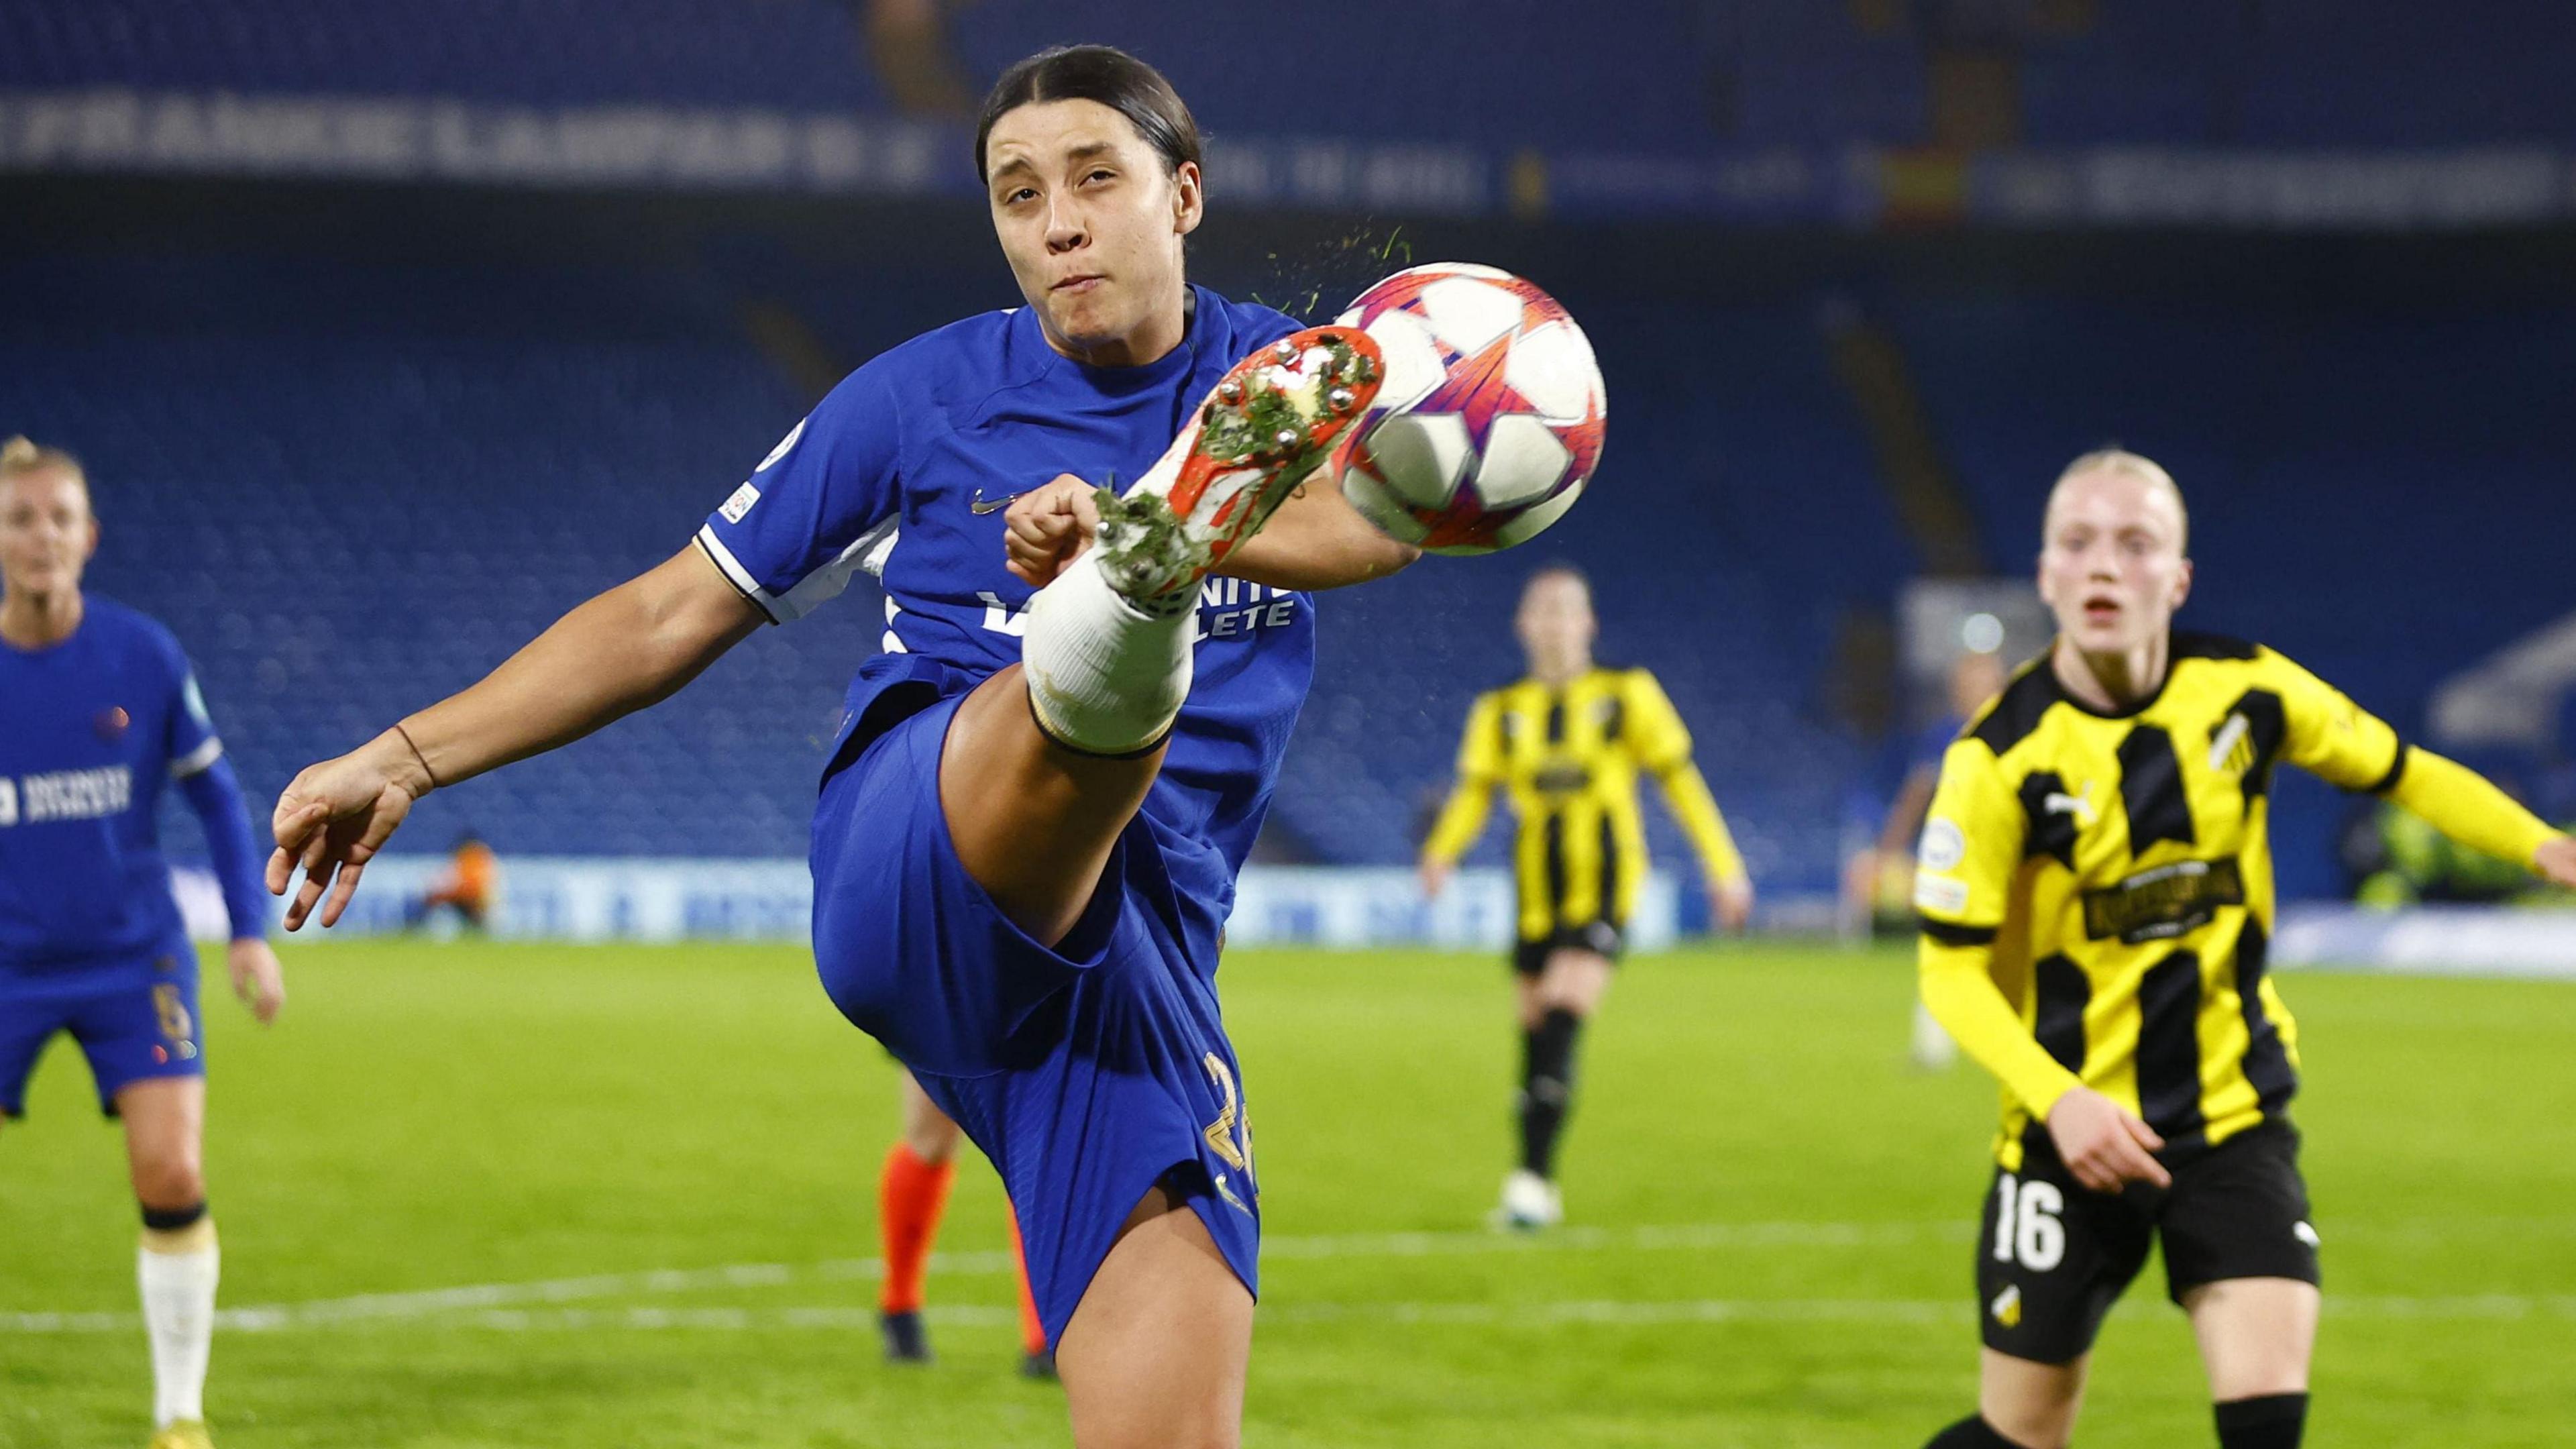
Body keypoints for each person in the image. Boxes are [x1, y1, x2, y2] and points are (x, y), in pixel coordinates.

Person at [264, 44, 1413, 1449]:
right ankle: (1118, 602)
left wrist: (1129, 512)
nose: (1054, 222)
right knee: (1087, 674)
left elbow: (1383, 524)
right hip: (917, 859)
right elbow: (668, 612)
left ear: (1183, 195)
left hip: (1134, 970)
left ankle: (1129, 582)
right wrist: (406, 755)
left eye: (1094, 179)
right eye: (1016, 193)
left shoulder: (1279, 382)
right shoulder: (919, 400)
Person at [1913, 450, 2576, 1449]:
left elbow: (2403, 768)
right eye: (2080, 544)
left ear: (2177, 578)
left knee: (2266, 1425)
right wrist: (2061, 1099)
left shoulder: (2248, 690)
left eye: (2136, 545)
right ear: (2046, 575)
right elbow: (1949, 973)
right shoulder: (1998, 760)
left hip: (2231, 1123)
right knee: (2020, 1438)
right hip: (2066, 1141)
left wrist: (2542, 844)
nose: (2105, 567)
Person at [0, 437, 287, 1449]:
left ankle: (178, 1416)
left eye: (59, 517)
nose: (41, 536)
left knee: (170, 1175)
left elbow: (216, 797)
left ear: (90, 536)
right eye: (21, 517)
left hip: (134, 959)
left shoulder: (145, 656)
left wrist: (248, 934)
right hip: (4, 964)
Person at [1417, 563, 1752, 1230]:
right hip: (1535, 893)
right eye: (1541, 610)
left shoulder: (1628, 694)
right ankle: (1533, 1180)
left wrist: (1725, 866)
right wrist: (1441, 851)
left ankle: (1531, 1185)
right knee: (1537, 1028)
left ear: (1588, 623)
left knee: (1566, 1010)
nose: (1554, 623)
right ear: (1523, 625)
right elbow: (1474, 792)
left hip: (1604, 886)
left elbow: (1679, 781)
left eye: (1566, 610)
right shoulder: (1502, 709)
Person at [1843, 647, 2008, 1069]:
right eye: (1965, 684)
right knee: (1944, 947)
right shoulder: (1943, 736)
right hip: (1959, 861)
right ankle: (1933, 1049)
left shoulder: (2019, 731)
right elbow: (1915, 796)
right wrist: (1888, 851)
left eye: (1980, 683)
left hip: (2011, 855)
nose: (1969, 692)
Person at [876, 1066, 1055, 1378]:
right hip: (940, 1016)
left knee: (1032, 1146)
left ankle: (1043, 1338)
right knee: (931, 1141)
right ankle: (899, 1305)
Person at [403, 832, 496, 932]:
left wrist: (446, 894)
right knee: (434, 899)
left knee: (434, 899)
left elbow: (471, 885)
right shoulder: (477, 857)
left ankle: (416, 927)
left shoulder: (474, 858)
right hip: (469, 898)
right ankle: (418, 926)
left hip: (472, 899)